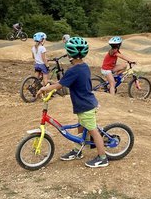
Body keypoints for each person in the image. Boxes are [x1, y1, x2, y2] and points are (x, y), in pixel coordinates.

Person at [36, 36, 109, 168]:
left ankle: (103, 157)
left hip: (85, 105)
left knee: (93, 131)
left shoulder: (73, 70)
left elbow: (60, 86)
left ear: (70, 54)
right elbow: (64, 83)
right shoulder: (84, 66)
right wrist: (54, 84)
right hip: (84, 103)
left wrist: (45, 88)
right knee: (81, 127)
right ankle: (78, 151)